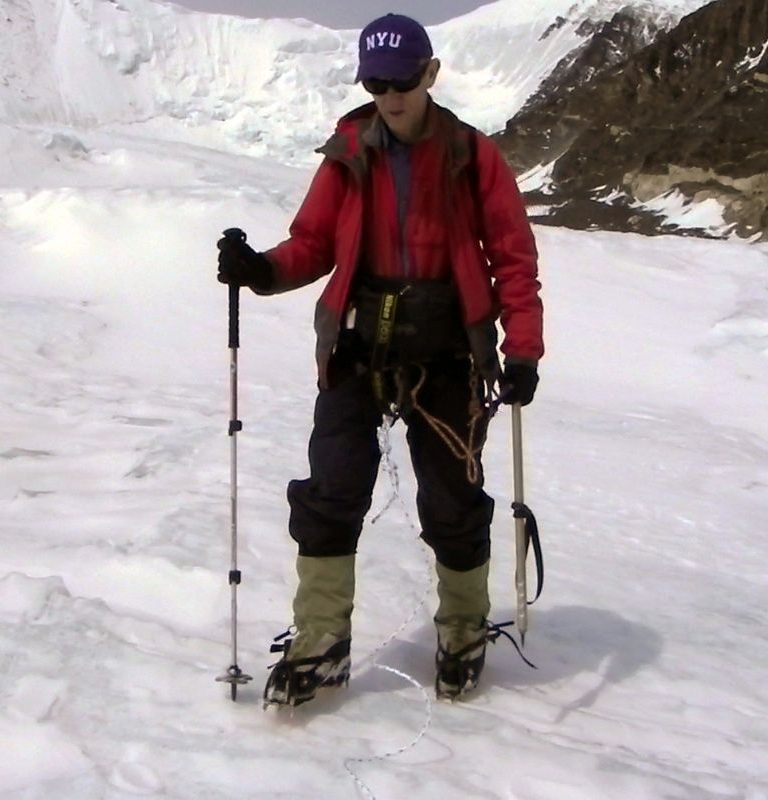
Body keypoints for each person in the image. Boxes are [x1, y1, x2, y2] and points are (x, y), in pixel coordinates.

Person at [217, 13, 543, 707]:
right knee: (332, 491)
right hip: (359, 346)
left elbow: (513, 259)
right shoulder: (348, 152)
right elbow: (312, 244)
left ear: (430, 74)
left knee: (452, 500)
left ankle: (462, 629)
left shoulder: (470, 154)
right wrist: (259, 270)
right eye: (376, 82)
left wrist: (524, 351)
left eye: (401, 81)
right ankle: (321, 640)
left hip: (451, 349)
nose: (390, 96)